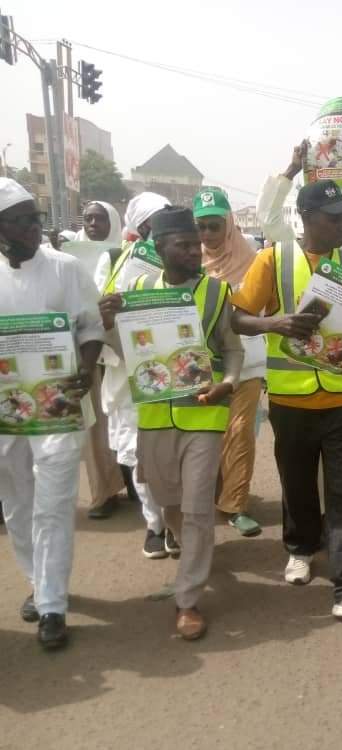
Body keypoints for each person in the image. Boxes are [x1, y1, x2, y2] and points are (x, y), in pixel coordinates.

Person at [231, 180, 342, 621]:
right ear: (305, 216)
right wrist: (274, 323)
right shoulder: (272, 259)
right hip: (292, 400)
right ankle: (300, 547)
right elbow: (236, 318)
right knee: (296, 483)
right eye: (333, 218)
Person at [99, 206, 243, 640]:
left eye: (195, 244)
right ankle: (190, 550)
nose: (194, 252)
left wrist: (230, 382)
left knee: (199, 507)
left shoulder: (217, 293)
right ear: (159, 248)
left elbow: (232, 349)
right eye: (182, 245)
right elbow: (127, 352)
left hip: (204, 411)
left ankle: (188, 600)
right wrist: (108, 322)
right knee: (167, 501)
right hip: (155, 415)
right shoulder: (139, 291)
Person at [0, 178, 106, 650]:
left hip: (58, 406)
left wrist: (85, 369)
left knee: (53, 505)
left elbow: (91, 326)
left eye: (35, 218)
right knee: (18, 504)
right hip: (6, 411)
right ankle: (37, 581)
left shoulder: (65, 268)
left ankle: (51, 605)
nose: (32, 228)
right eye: (20, 220)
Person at [97, 195, 172, 559]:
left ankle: (173, 522)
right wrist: (106, 313)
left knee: (171, 451)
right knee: (139, 452)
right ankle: (154, 525)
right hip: (127, 372)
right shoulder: (112, 261)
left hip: (171, 367)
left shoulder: (183, 257)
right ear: (142, 228)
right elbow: (92, 314)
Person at [193, 187, 263, 538]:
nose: (207, 235)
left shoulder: (252, 263)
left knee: (238, 434)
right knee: (206, 437)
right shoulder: (187, 264)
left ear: (230, 225)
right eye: (201, 227)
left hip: (246, 364)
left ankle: (235, 505)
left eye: (214, 226)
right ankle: (204, 496)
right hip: (197, 369)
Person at [255, 138, 342, 267]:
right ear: (306, 217)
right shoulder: (289, 253)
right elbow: (268, 218)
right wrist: (292, 170)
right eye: (334, 218)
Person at [71, 200, 127, 520]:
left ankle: (130, 480)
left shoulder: (128, 255)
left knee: (120, 415)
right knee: (94, 422)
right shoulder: (67, 258)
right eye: (88, 218)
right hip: (84, 346)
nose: (92, 224)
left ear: (113, 222)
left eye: (99, 218)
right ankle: (103, 491)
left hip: (117, 347)